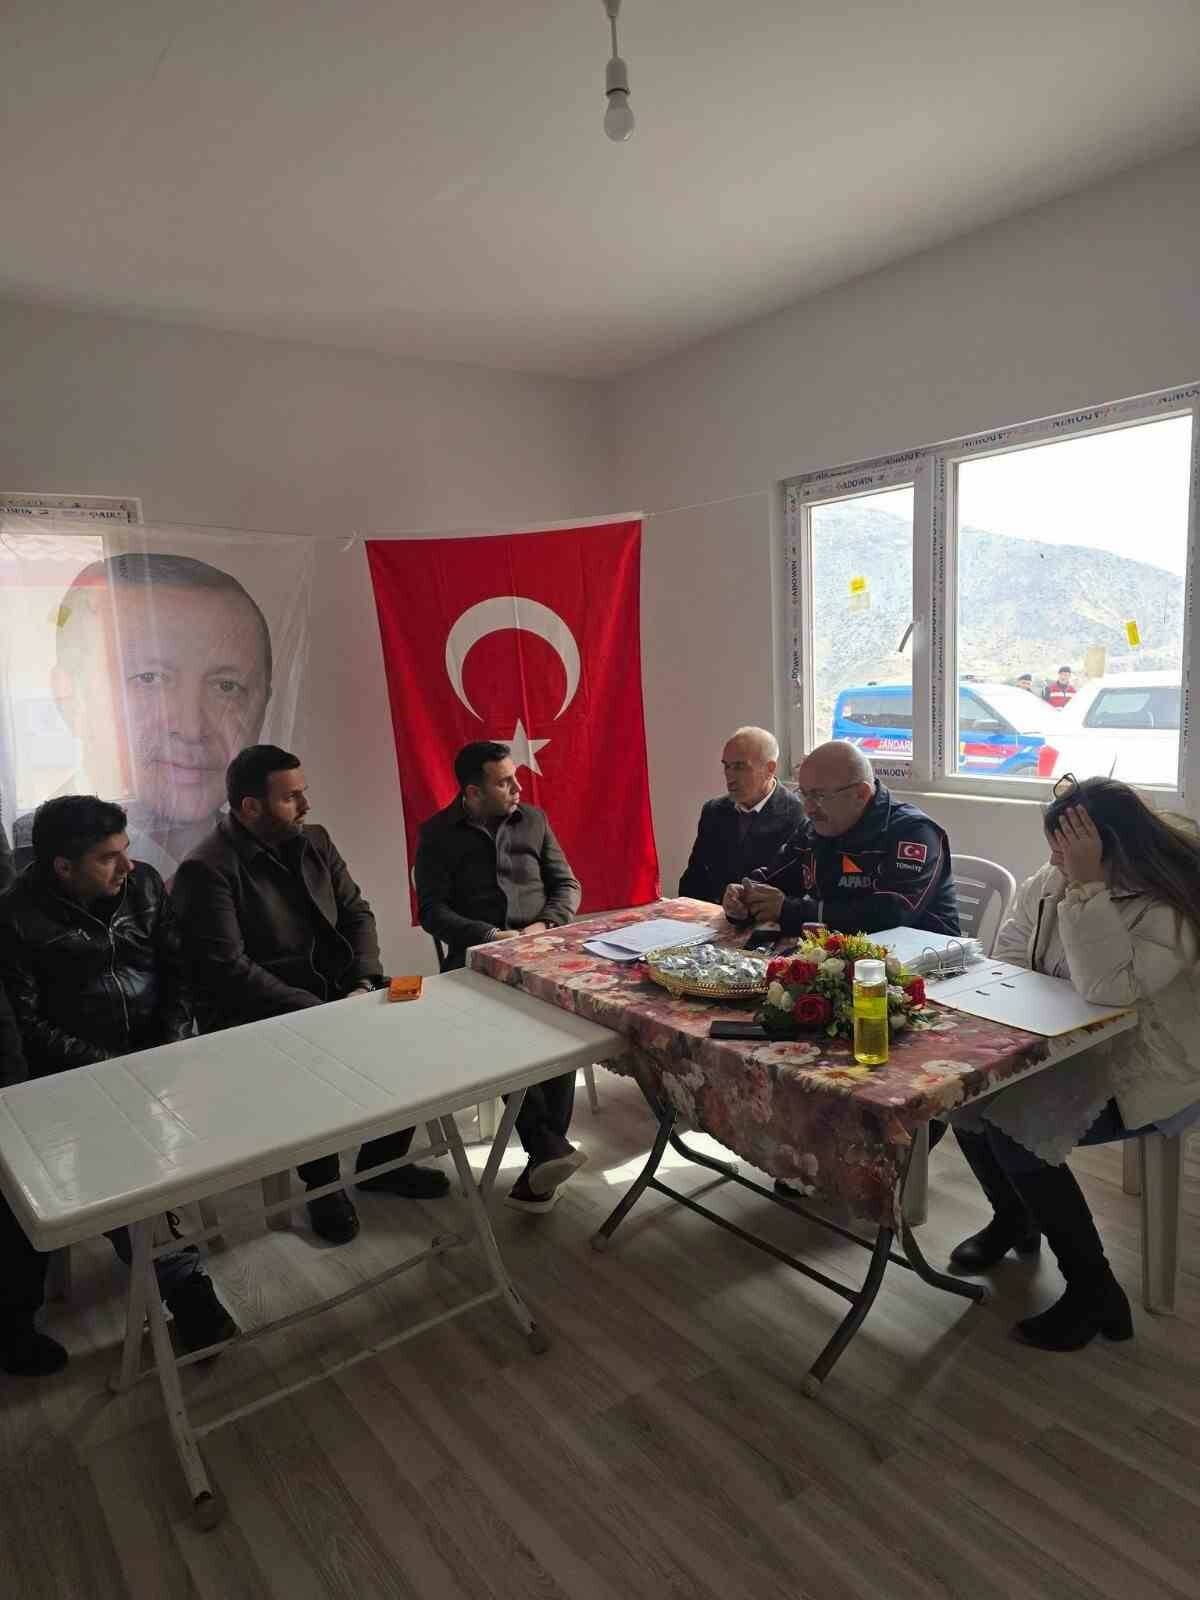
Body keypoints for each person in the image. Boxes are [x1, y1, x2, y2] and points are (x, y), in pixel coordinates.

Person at [946, 778, 1200, 1351]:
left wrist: (1088, 889)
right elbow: (1010, 953)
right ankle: (1014, 1217)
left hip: (1148, 1062)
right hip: (1064, 1042)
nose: (1056, 861)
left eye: (1068, 850)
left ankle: (1093, 1288)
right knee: (962, 1096)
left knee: (1016, 1130)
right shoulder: (1052, 878)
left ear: (1108, 846)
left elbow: (1110, 991)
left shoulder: (1171, 904)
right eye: (1055, 848)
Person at [171, 745, 449, 1247]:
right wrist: (321, 1012)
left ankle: (383, 1163)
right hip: (260, 1011)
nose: (305, 805)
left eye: (304, 793)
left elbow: (357, 913)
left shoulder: (314, 839)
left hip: (340, 991)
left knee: (417, 1034)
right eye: (290, 797)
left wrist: (363, 982)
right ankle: (322, 1185)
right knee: (309, 1060)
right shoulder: (206, 868)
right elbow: (228, 970)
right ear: (249, 806)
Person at [0, 795, 237, 1374]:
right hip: (65, 1076)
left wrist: (171, 1042)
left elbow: (179, 971)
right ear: (63, 866)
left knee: (150, 1160)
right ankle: (18, 1321)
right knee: (106, 1169)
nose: (128, 866)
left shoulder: (145, 884)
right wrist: (113, 1068)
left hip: (153, 1060)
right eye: (109, 857)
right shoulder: (14, 916)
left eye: (125, 850)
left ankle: (182, 1282)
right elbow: (27, 1025)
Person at [12, 553, 273, 884]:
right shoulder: (19, 860)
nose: (192, 729)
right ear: (70, 698)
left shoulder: (280, 855)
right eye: (149, 679)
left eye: (226, 686)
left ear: (264, 704)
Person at [414, 740, 586, 1213]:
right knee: (503, 1037)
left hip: (538, 949)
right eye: (504, 782)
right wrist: (490, 935)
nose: (517, 788)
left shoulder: (534, 820)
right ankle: (547, 1150)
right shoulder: (437, 834)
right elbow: (432, 911)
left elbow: (567, 884)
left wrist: (543, 926)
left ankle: (545, 1155)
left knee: (564, 1029)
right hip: (476, 960)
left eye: (515, 778)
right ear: (473, 793)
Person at [722, 741, 960, 938]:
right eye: (804, 794)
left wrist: (790, 910)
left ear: (861, 794)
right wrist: (743, 896)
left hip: (926, 964)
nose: (808, 808)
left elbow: (892, 915)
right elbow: (775, 877)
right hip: (837, 959)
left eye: (819, 795)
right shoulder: (814, 829)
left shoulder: (914, 833)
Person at [678, 727, 804, 904]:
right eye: (726, 766)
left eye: (739, 767)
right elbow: (693, 881)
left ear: (770, 769)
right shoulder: (713, 811)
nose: (730, 776)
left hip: (766, 918)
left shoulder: (798, 815)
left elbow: (795, 891)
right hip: (713, 914)